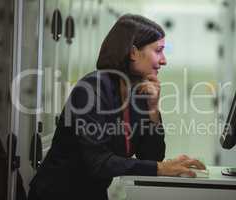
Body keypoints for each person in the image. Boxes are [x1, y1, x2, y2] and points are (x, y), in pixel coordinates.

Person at [28, 14, 205, 200]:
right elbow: (98, 162)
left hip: (93, 193)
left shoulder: (138, 91)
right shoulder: (91, 89)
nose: (164, 60)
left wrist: (153, 110)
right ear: (133, 52)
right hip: (57, 193)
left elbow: (152, 156)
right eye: (158, 50)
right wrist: (161, 168)